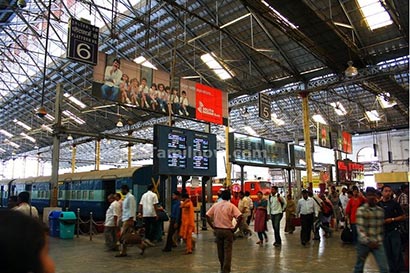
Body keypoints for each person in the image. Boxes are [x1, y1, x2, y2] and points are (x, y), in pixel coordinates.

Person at [206, 190, 242, 273]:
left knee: (220, 250)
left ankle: (222, 266)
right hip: (228, 231)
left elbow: (207, 215)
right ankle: (226, 270)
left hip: (218, 230)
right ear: (229, 197)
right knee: (228, 251)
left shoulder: (216, 205)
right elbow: (240, 216)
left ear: (221, 196)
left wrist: (212, 226)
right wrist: (235, 228)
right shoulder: (231, 206)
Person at [354, 187, 388, 273]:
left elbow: (381, 228)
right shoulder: (361, 210)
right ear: (366, 196)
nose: (371, 197)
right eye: (369, 195)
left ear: (376, 196)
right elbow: (360, 229)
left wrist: (378, 241)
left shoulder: (380, 211)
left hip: (377, 243)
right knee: (359, 268)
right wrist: (369, 242)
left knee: (384, 268)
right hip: (364, 244)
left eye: (373, 195)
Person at [378, 185, 405, 273]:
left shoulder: (395, 204)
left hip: (394, 231)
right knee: (387, 253)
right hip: (383, 232)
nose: (388, 193)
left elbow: (403, 216)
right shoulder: (378, 205)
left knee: (396, 252)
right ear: (382, 192)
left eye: (389, 191)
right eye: (386, 191)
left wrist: (392, 219)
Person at [116, 184, 137, 257]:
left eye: (122, 190)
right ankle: (123, 251)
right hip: (125, 218)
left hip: (128, 219)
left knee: (122, 236)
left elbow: (132, 208)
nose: (121, 191)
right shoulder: (126, 197)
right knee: (125, 237)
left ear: (125, 189)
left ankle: (123, 251)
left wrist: (131, 219)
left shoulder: (130, 197)